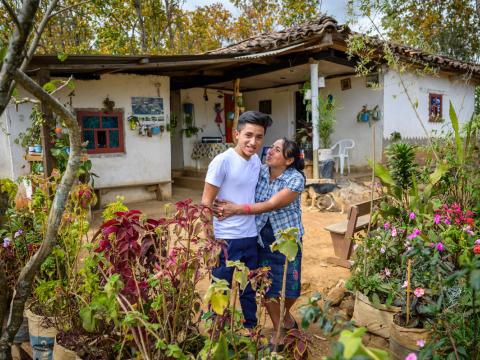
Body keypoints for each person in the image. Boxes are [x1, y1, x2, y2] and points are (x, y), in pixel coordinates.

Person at [214, 138, 305, 348]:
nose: (270, 151)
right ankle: (279, 330)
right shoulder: (260, 170)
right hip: (261, 239)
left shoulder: (295, 179)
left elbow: (271, 204)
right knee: (267, 286)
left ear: (289, 160)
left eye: (277, 149)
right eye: (271, 147)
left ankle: (285, 316)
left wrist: (236, 209)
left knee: (291, 288)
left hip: (287, 239)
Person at [201, 110, 273, 329]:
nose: (253, 142)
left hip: (250, 237)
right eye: (248, 135)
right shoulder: (222, 161)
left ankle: (251, 331)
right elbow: (206, 202)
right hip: (225, 240)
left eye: (259, 137)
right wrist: (211, 241)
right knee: (220, 289)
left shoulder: (255, 163)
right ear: (236, 134)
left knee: (249, 289)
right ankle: (217, 334)